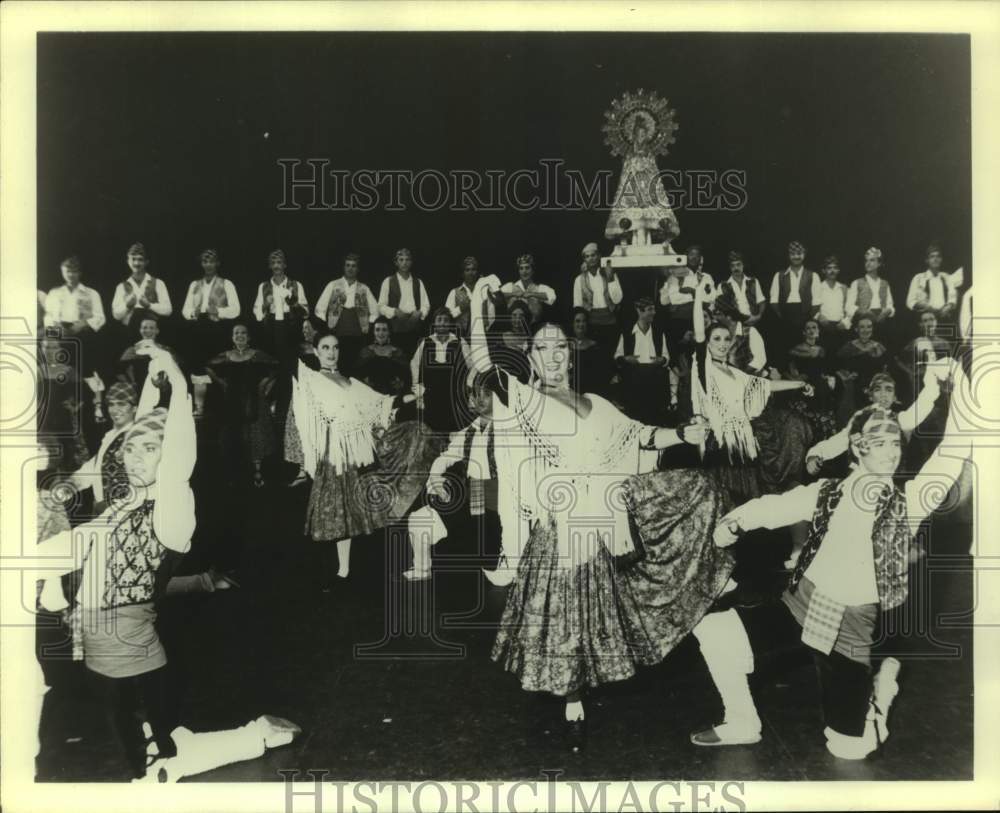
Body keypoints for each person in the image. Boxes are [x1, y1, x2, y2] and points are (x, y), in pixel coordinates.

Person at [469, 276, 736, 748]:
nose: (553, 355)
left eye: (559, 347)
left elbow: (642, 436)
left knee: (696, 490)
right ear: (530, 357)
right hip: (564, 527)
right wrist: (477, 304)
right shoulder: (526, 401)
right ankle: (572, 700)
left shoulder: (598, 403)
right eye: (543, 347)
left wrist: (684, 436)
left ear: (569, 354)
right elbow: (480, 359)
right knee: (566, 616)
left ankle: (707, 589)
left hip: (607, 518)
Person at [689, 359, 970, 760]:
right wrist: (734, 522)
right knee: (716, 630)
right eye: (879, 442)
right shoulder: (829, 491)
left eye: (895, 443)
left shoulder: (909, 502)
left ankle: (882, 690)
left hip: (852, 626)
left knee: (848, 750)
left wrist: (957, 387)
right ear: (858, 448)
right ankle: (742, 721)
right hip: (802, 605)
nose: (890, 451)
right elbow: (775, 506)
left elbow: (952, 452)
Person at [33, 347, 195, 779]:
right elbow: (127, 444)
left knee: (146, 740)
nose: (133, 456)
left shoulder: (171, 505)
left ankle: (168, 756)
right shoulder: (129, 497)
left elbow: (176, 452)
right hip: (98, 628)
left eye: (149, 449)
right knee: (135, 732)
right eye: (132, 449)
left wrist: (177, 383)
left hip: (124, 635)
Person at [291, 333, 433, 590]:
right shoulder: (311, 382)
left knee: (353, 514)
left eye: (335, 347)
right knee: (334, 517)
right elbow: (303, 421)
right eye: (325, 347)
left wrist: (412, 396)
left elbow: (380, 404)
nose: (331, 352)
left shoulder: (350, 382)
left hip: (357, 453)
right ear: (315, 351)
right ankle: (335, 572)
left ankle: (346, 571)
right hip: (334, 455)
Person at [683, 322, 814, 503]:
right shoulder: (704, 369)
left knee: (749, 499)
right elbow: (698, 332)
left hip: (744, 443)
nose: (723, 343)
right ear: (707, 344)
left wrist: (800, 384)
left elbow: (765, 385)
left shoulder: (736, 373)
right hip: (722, 446)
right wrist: (698, 294)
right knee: (728, 501)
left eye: (727, 339)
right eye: (717, 339)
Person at [405, 372, 500, 581]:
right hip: (474, 495)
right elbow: (446, 456)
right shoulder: (470, 430)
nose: (479, 399)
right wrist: (436, 480)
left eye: (486, 394)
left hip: (504, 501)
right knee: (418, 520)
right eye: (476, 394)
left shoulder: (510, 428)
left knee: (495, 569)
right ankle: (422, 568)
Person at [205, 323, 279, 488]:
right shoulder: (226, 355)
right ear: (232, 337)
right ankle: (234, 475)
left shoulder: (257, 354)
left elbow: (276, 367)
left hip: (254, 402)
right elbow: (208, 366)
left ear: (249, 336)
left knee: (255, 438)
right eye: (236, 333)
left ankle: (258, 474)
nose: (240, 335)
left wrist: (265, 384)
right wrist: (221, 383)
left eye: (243, 333)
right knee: (232, 438)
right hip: (232, 402)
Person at [180, 249, 241, 417]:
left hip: (218, 330)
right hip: (198, 329)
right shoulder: (194, 285)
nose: (208, 265)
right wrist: (194, 313)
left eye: (211, 261)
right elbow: (185, 311)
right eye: (205, 262)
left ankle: (222, 405)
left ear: (217, 263)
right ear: (201, 264)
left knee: (218, 366)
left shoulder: (226, 283)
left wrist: (219, 311)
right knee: (199, 366)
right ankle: (199, 406)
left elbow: (236, 310)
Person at [410, 308, 473, 434]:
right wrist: (417, 386)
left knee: (453, 431)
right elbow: (414, 364)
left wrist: (468, 386)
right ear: (434, 323)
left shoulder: (460, 342)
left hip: (453, 396)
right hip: (431, 396)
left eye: (446, 320)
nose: (443, 323)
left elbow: (472, 365)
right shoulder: (426, 342)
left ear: (450, 323)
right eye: (439, 320)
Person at [314, 252, 377, 376]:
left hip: (357, 334)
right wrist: (327, 326)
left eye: (354, 266)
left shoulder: (364, 288)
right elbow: (319, 309)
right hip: (337, 332)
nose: (350, 268)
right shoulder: (333, 285)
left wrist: (367, 323)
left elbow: (375, 311)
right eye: (348, 265)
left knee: (356, 366)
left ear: (358, 269)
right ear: (344, 267)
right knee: (338, 365)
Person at [43, 256, 107, 376]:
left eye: (74, 271)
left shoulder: (92, 293)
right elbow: (48, 316)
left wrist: (83, 324)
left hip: (81, 332)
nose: (71, 275)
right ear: (62, 272)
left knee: (83, 368)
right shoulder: (54, 293)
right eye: (68, 271)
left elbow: (100, 317)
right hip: (59, 332)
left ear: (80, 273)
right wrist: (56, 327)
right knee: (61, 367)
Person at [614, 297, 671, 425]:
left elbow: (666, 357)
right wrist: (626, 359)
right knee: (636, 417)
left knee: (654, 418)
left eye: (654, 309)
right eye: (650, 310)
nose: (654, 313)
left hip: (654, 381)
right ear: (639, 311)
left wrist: (662, 360)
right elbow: (617, 356)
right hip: (634, 381)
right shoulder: (627, 333)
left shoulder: (658, 333)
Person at [768, 241, 821, 364]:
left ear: (804, 255)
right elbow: (774, 301)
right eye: (793, 254)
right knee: (786, 351)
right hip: (786, 318)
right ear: (788, 256)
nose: (796, 257)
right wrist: (784, 318)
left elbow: (817, 302)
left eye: (799, 253)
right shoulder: (779, 275)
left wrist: (808, 319)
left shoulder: (812, 275)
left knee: (805, 352)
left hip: (806, 317)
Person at [786, 319, 839, 442]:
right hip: (804, 386)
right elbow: (791, 369)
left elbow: (826, 369)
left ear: (818, 331)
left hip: (821, 386)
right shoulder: (796, 350)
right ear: (804, 332)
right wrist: (799, 379)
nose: (811, 330)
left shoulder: (822, 350)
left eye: (814, 327)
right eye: (808, 328)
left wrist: (828, 377)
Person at [110, 243, 173, 339]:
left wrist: (149, 305)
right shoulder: (121, 287)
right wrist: (127, 305)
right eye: (133, 259)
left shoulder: (158, 283)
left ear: (146, 262)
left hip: (153, 332)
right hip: (130, 333)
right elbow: (116, 315)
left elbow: (168, 310)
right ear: (128, 261)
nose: (136, 263)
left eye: (140, 259)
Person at [377, 248, 430, 359]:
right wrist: (394, 311)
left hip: (414, 327)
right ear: (396, 262)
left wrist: (420, 313)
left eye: (407, 260)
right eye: (401, 260)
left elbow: (426, 304)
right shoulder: (388, 281)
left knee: (415, 359)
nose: (404, 263)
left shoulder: (418, 282)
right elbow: (381, 306)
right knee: (397, 359)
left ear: (411, 262)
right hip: (396, 328)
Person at [834, 316, 888, 423]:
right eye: (862, 327)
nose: (866, 330)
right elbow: (837, 367)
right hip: (854, 386)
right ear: (856, 329)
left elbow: (885, 368)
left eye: (869, 327)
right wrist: (846, 376)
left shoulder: (879, 346)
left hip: (874, 385)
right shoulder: (848, 347)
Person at [572, 241, 622, 357]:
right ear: (584, 259)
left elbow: (617, 299)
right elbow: (577, 306)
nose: (591, 259)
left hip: (611, 322)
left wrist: (610, 279)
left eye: (593, 255)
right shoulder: (579, 279)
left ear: (599, 256)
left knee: (610, 355)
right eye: (587, 256)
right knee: (594, 356)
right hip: (591, 324)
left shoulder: (610, 274)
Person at [905, 243, 960, 333]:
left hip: (944, 320)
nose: (935, 259)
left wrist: (948, 307)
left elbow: (952, 297)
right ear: (927, 260)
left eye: (938, 256)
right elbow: (910, 302)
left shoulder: (946, 277)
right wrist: (927, 307)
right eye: (932, 257)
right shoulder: (919, 278)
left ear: (941, 259)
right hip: (926, 321)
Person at [356, 315, 411, 395]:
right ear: (373, 332)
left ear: (389, 332)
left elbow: (407, 379)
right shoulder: (365, 351)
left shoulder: (398, 352)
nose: (381, 333)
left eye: (384, 330)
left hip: (393, 396)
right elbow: (357, 378)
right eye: (377, 330)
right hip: (369, 395)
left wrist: (400, 384)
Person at [845, 247, 896, 331]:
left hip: (881, 323)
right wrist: (864, 312)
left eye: (872, 260)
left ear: (879, 263)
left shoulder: (885, 284)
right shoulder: (856, 283)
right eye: (866, 260)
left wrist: (887, 311)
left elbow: (890, 305)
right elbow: (849, 307)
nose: (868, 263)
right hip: (863, 325)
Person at [569, 307, 614, 399]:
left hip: (591, 393)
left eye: (584, 321)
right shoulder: (565, 346)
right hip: (571, 393)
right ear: (572, 324)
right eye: (577, 321)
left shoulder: (596, 347)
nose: (581, 324)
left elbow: (602, 374)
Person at [498, 254, 556, 325]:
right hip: (514, 330)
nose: (524, 271)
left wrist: (532, 294)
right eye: (521, 268)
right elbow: (496, 297)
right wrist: (513, 294)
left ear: (532, 270)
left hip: (534, 328)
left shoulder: (539, 288)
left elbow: (552, 297)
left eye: (527, 268)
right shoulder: (510, 286)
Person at [814, 255, 852, 351]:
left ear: (838, 270)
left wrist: (845, 322)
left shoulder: (844, 288)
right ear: (824, 271)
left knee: (840, 358)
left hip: (840, 328)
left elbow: (850, 309)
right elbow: (812, 308)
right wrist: (819, 316)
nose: (832, 271)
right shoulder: (817, 288)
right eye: (829, 268)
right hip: (823, 328)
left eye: (835, 268)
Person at [444, 256, 483, 337]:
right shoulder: (454, 292)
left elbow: (491, 315)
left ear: (477, 272)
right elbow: (446, 316)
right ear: (463, 273)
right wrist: (460, 308)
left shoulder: (483, 291)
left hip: (481, 335)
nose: (470, 273)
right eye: (467, 270)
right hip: (460, 336)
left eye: (473, 269)